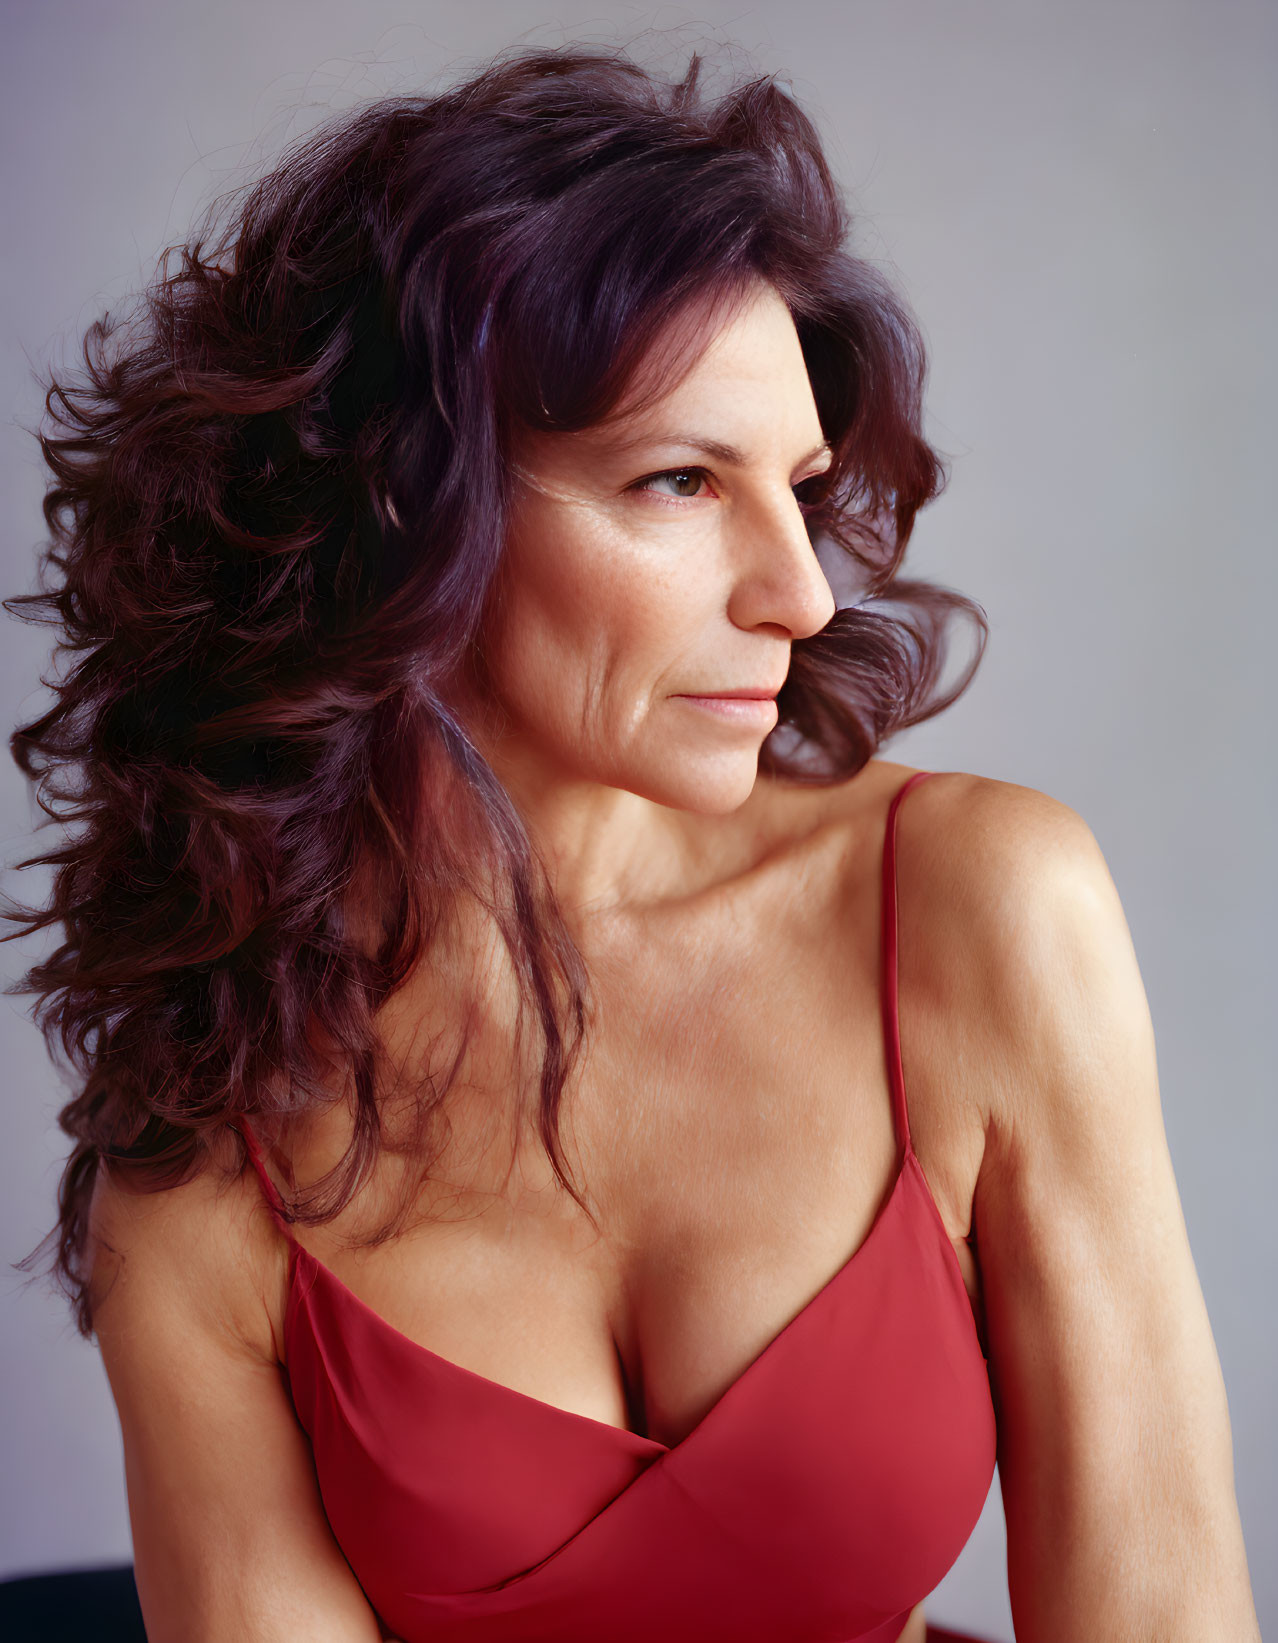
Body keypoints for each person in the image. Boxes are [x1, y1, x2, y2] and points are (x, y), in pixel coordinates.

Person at [4, 40, 1259, 1643]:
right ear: (402, 517)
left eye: (797, 488)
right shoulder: (209, 1150)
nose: (799, 596)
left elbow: (1162, 1618)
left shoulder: (975, 908)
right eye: (677, 482)